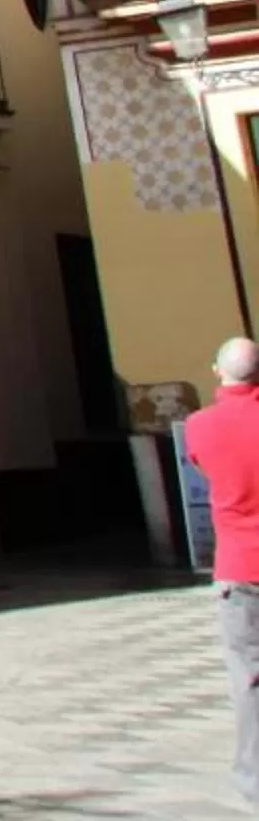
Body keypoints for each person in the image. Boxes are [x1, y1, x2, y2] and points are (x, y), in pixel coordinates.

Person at [185, 336, 259, 807]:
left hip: (239, 567)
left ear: (217, 371)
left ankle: (255, 779)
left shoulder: (200, 426)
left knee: (249, 677)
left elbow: (205, 467)